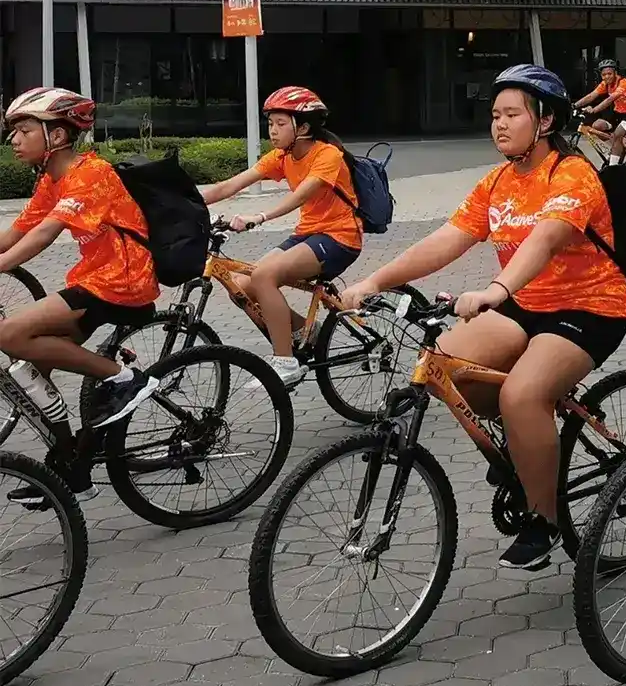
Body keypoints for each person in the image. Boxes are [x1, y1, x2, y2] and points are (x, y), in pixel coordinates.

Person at [338, 64, 626, 571]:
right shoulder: (496, 182)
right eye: (495, 114)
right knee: (446, 366)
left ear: (544, 121)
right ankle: (527, 448)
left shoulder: (572, 174)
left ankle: (545, 518)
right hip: (524, 303)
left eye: (512, 114)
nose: (499, 123)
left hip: (589, 306)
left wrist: (495, 288)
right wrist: (372, 282)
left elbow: (546, 238)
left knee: (522, 395)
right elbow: (446, 240)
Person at [0, 88, 161, 481]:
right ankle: (71, 466)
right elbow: (16, 233)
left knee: (9, 334)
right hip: (93, 280)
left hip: (123, 281)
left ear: (56, 136)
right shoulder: (52, 181)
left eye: (23, 130)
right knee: (34, 368)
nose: (13, 140)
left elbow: (43, 237)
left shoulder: (91, 174)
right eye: (12, 133)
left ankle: (121, 377)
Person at [199, 86, 361, 386]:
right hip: (307, 235)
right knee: (244, 286)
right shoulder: (281, 157)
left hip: (339, 237)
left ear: (304, 127)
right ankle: (302, 329)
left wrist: (259, 217)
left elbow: (300, 196)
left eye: (280, 124)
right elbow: (230, 185)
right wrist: (186, 206)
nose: (272, 131)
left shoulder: (328, 154)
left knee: (264, 275)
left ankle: (285, 362)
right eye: (270, 123)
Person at [574, 59, 626, 160]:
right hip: (618, 114)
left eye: (609, 73)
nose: (607, 77)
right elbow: (591, 96)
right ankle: (617, 148)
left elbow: (609, 100)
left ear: (615, 73)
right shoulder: (605, 84)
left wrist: (594, 110)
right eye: (604, 75)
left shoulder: (623, 83)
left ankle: (613, 166)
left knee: (618, 133)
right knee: (597, 126)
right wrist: (574, 105)